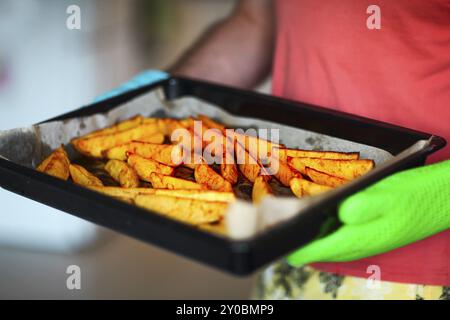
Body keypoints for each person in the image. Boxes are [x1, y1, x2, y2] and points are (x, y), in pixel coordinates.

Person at [105, 0, 450, 299]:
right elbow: (254, 22)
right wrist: (154, 99)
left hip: (425, 272)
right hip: (285, 236)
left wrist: (442, 194)